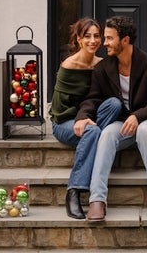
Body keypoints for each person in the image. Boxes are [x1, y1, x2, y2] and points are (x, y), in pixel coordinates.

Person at [74, 15, 147, 222]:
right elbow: (93, 99)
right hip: (123, 123)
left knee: (144, 131)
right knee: (107, 133)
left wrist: (138, 116)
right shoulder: (103, 69)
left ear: (124, 40)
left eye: (109, 38)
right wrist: (82, 117)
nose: (104, 43)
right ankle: (97, 200)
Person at [49, 17, 122, 219]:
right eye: (87, 36)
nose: (93, 41)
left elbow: (106, 98)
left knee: (114, 105)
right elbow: (59, 108)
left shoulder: (102, 64)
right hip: (65, 121)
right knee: (93, 130)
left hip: (91, 118)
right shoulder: (69, 65)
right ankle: (73, 191)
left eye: (97, 36)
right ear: (79, 39)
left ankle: (92, 139)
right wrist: (80, 119)